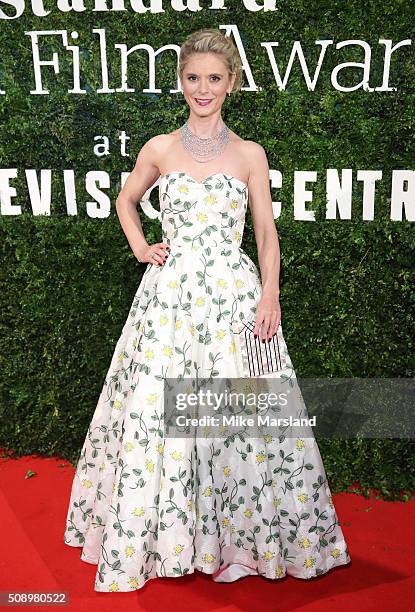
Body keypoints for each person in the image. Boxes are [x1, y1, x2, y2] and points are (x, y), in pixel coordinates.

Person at [63, 28, 351, 592]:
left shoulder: (250, 155)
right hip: (167, 304)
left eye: (214, 78)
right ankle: (169, 540)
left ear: (231, 83)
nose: (203, 88)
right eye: (193, 77)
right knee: (160, 420)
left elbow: (265, 232)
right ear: (181, 81)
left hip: (234, 300)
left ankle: (239, 542)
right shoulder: (159, 148)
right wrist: (142, 247)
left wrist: (270, 294)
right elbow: (126, 200)